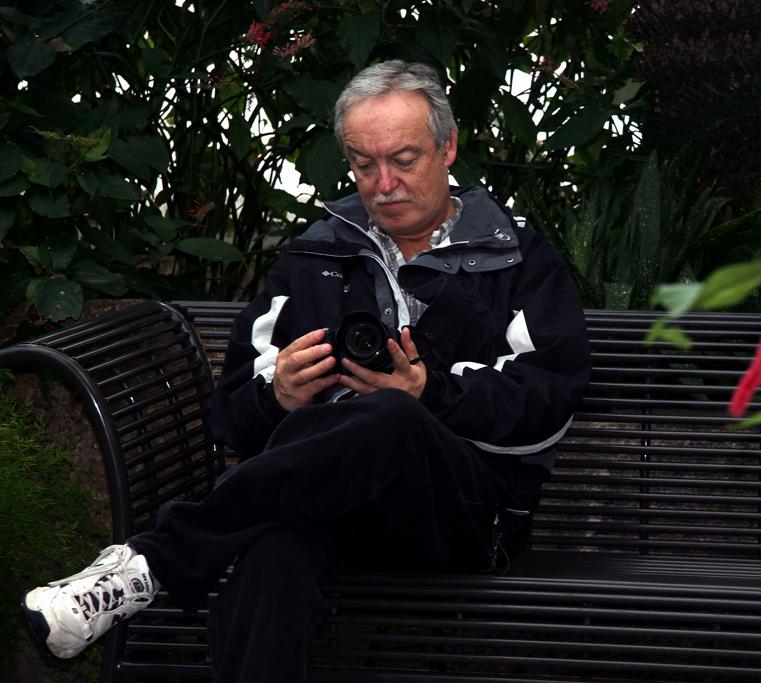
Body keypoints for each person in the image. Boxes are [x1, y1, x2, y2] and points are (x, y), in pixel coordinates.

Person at [22, 60, 591, 682]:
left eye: (404, 159)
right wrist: (279, 398)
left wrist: (433, 391)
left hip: (463, 516)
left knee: (393, 413)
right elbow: (232, 416)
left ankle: (156, 562)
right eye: (363, 162)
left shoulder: (519, 256)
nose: (384, 183)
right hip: (328, 503)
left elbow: (547, 407)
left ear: (448, 147)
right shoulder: (314, 256)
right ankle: (164, 565)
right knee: (273, 554)